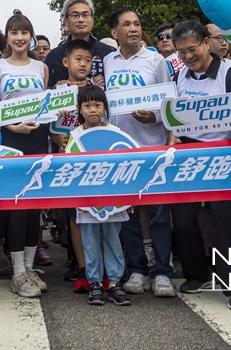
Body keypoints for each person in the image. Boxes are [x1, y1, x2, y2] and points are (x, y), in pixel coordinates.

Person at [166, 21, 231, 310]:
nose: (187, 56)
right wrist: (173, 136)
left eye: (192, 49)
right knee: (184, 216)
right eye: (181, 52)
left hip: (224, 152)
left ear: (207, 43)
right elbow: (173, 115)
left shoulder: (229, 73)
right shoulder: (178, 77)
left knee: (224, 216)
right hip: (190, 151)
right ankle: (197, 273)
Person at [102, 9, 175, 298]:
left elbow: (170, 101)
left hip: (152, 147)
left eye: (137, 24)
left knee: (158, 213)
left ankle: (162, 273)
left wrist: (155, 119)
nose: (133, 29)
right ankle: (137, 269)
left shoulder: (156, 59)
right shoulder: (108, 61)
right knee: (127, 214)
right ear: (114, 33)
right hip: (120, 150)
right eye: (126, 24)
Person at [0, 12, 52, 298]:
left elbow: (48, 103)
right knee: (16, 206)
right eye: (14, 32)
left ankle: (28, 268)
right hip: (12, 138)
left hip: (38, 138)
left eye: (25, 32)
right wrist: (12, 125)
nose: (20, 37)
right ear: (7, 37)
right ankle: (16, 273)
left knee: (34, 205)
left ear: (31, 37)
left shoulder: (41, 67)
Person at [69, 85, 132, 307]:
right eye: (87, 106)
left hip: (113, 200)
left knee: (113, 239)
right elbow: (70, 168)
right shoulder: (75, 136)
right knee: (90, 241)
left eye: (97, 105)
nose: (92, 110)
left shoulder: (116, 133)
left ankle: (114, 283)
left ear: (105, 107)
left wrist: (127, 198)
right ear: (79, 109)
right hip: (86, 201)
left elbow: (127, 167)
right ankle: (94, 282)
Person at [49, 38, 95, 290]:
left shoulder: (98, 91)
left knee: (96, 211)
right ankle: (82, 265)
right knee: (75, 214)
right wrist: (54, 136)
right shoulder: (58, 91)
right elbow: (47, 124)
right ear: (66, 62)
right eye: (78, 59)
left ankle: (98, 264)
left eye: (88, 60)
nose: (83, 64)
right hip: (67, 159)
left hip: (93, 160)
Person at [44, 0, 115, 89]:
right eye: (75, 15)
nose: (81, 20)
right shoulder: (54, 55)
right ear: (65, 21)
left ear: (92, 20)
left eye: (85, 15)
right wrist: (55, 90)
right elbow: (46, 89)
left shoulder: (108, 52)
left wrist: (108, 82)